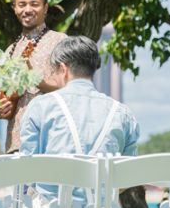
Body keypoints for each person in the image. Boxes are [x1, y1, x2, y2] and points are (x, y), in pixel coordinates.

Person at [21, 35, 140, 180]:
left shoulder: (40, 106)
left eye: (53, 71)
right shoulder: (123, 113)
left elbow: (27, 169)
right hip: (103, 202)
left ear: (63, 69)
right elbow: (126, 178)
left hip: (51, 201)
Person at [0, 0, 65, 152]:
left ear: (45, 8)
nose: (27, 10)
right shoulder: (10, 50)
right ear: (14, 8)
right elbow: (7, 105)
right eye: (22, 4)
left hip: (50, 143)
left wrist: (35, 77)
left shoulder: (60, 41)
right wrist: (1, 109)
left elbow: (70, 90)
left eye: (34, 4)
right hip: (15, 146)